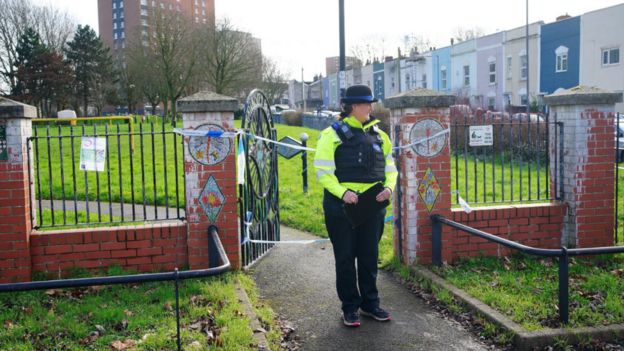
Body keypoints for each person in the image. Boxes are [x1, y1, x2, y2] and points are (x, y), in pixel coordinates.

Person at [313, 84, 398, 327]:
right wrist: (343, 193)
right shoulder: (331, 135)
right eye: (366, 103)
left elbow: (391, 169)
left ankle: (370, 305)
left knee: (370, 256)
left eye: (370, 103)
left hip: (372, 205)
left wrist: (389, 188)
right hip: (341, 206)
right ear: (353, 107)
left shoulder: (381, 136)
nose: (370, 107)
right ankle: (350, 307)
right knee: (346, 257)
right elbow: (323, 172)